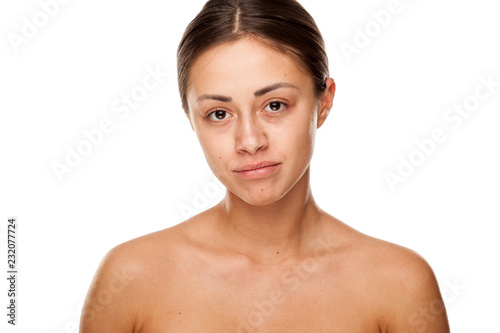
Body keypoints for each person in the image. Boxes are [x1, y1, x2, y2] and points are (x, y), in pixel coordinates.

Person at [80, 0, 450, 332]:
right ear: (191, 118)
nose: (250, 141)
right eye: (219, 113)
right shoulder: (131, 278)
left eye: (275, 105)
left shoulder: (399, 284)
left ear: (324, 101)